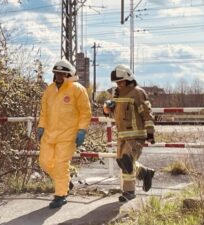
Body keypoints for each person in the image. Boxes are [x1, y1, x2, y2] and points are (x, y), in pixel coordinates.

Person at [36, 59, 91, 209]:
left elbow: (85, 113)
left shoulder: (77, 89)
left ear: (68, 74)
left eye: (62, 73)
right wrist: (41, 127)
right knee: (44, 162)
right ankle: (65, 182)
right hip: (49, 134)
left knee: (60, 165)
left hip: (68, 135)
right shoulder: (50, 90)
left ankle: (60, 195)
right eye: (56, 73)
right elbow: (44, 112)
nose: (59, 76)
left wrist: (81, 130)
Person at [103, 64, 155, 202]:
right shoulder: (117, 94)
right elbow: (115, 115)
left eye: (121, 81)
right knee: (122, 162)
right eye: (117, 82)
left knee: (127, 161)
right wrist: (107, 109)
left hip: (136, 136)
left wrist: (150, 132)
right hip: (122, 136)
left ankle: (129, 192)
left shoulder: (138, 92)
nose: (119, 84)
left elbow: (147, 113)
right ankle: (144, 172)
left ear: (129, 79)